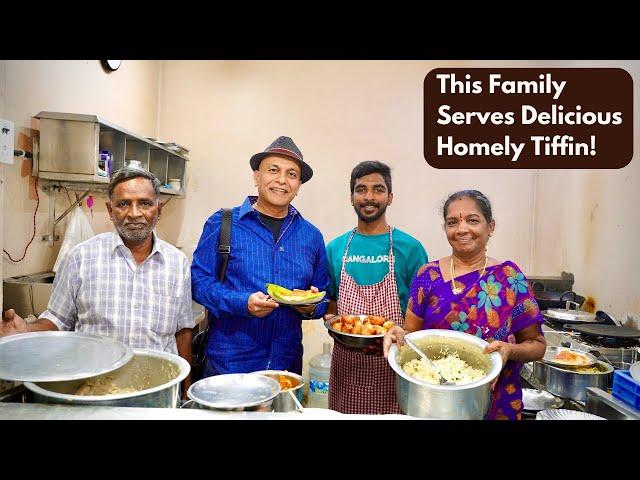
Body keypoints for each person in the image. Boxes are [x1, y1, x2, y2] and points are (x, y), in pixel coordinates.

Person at [1, 167, 196, 396]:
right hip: (94, 388)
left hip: (158, 389)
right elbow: (57, 320)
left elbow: (183, 330)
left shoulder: (178, 263)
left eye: (144, 203)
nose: (134, 213)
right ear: (110, 210)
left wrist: (186, 389)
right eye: (123, 204)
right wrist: (27, 330)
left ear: (158, 210)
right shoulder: (81, 257)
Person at [383, 190, 546, 420]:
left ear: (491, 227)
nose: (461, 229)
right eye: (452, 222)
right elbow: (410, 335)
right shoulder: (427, 275)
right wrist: (399, 334)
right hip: (431, 404)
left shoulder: (509, 278)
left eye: (472, 220)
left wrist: (510, 350)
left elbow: (537, 345)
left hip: (495, 403)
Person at [191, 135, 329, 377]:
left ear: (298, 186)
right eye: (273, 170)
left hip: (285, 365)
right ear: (257, 176)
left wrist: (309, 307)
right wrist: (242, 302)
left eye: (292, 174)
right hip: (228, 364)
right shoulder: (223, 223)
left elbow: (323, 300)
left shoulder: (312, 237)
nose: (282, 180)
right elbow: (199, 283)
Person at [324, 161, 428, 414]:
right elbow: (331, 301)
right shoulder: (336, 248)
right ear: (351, 197)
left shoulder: (411, 248)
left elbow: (423, 310)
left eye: (378, 189)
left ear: (390, 197)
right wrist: (330, 318)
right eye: (361, 189)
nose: (369, 197)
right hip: (346, 365)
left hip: (396, 360)